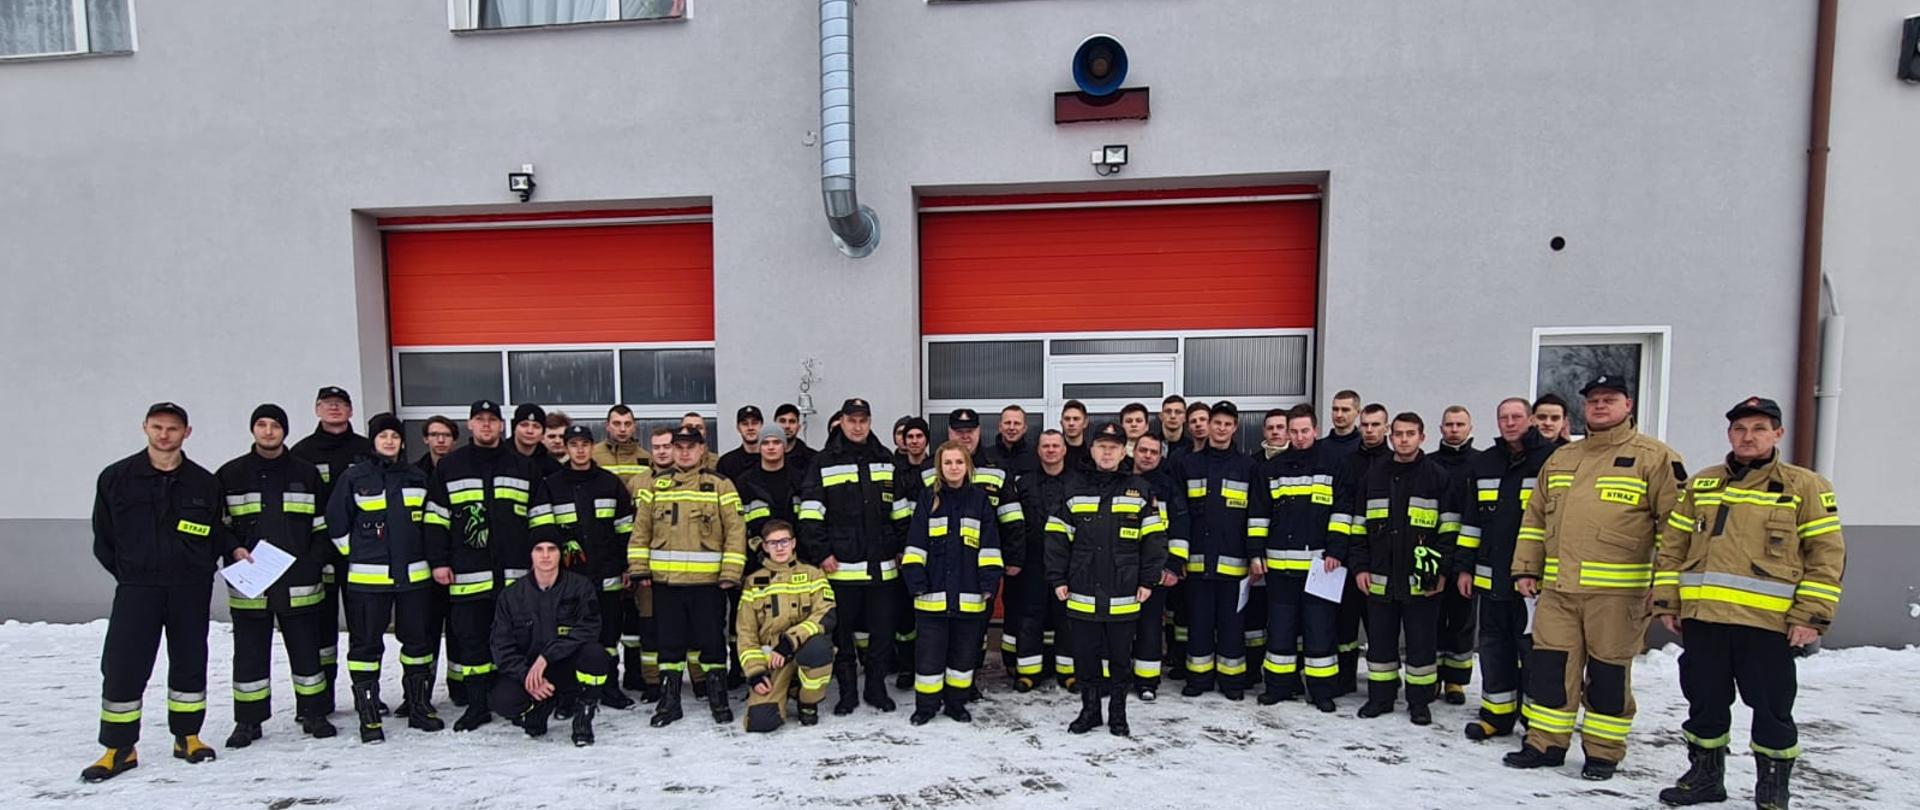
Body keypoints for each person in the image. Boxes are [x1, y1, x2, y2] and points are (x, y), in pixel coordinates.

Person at [1653, 397, 1845, 808]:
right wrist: (1668, 601)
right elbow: (1673, 546)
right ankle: (1705, 778)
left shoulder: (1805, 486)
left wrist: (1811, 616)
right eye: (1740, 429)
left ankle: (1772, 787)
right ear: (1729, 434)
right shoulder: (1703, 484)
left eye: (1759, 428)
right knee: (1704, 702)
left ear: (1778, 433)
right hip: (1704, 620)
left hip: (1767, 624)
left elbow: (1826, 556)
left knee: (1772, 708)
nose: (1748, 437)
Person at [1506, 374, 1686, 781]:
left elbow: (1675, 530)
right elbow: (1535, 520)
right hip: (1558, 591)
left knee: (1607, 675)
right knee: (1551, 670)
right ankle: (1545, 743)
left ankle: (1603, 752)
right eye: (1593, 400)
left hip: (1617, 595)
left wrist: (1666, 586)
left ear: (1628, 405)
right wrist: (1526, 568)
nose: (1600, 406)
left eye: (1609, 399)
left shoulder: (1655, 458)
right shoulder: (1563, 458)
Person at [83, 402, 234, 782]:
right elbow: (104, 537)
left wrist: (209, 562)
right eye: (157, 427)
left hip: (189, 587)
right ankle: (118, 747)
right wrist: (131, 573)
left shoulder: (203, 483)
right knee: (123, 664)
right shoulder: (117, 478)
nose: (164, 435)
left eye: (172, 428)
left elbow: (215, 532)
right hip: (138, 588)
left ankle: (188, 736)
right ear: (145, 428)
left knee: (189, 659)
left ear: (187, 432)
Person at [423, 399, 559, 733]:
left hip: (515, 578)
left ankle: (516, 697)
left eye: (492, 420)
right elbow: (435, 520)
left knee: (518, 641)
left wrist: (543, 563)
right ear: (470, 425)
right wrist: (439, 562)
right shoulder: (451, 466)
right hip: (468, 576)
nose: (486, 425)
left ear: (501, 426)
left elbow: (541, 519)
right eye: (480, 419)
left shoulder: (523, 467)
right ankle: (477, 706)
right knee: (472, 643)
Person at [216, 404, 334, 748]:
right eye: (262, 425)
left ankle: (313, 713)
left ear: (285, 430)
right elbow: (218, 527)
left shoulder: (306, 473)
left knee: (307, 652)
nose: (269, 431)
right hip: (251, 582)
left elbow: (323, 527)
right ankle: (248, 721)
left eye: (275, 426)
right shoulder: (231, 474)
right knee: (249, 654)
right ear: (253, 429)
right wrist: (234, 550)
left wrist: (312, 563)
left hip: (299, 581)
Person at [328, 413, 446, 743]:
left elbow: (430, 523)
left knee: (418, 645)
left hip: (414, 578)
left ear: (402, 441)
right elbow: (336, 522)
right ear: (373, 441)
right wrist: (359, 554)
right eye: (383, 436)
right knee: (366, 647)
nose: (390, 441)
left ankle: (418, 706)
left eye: (394, 436)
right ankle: (368, 714)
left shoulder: (417, 477)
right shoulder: (354, 477)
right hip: (369, 581)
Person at [1048, 422, 1168, 736]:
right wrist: (1057, 578)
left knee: (1119, 659)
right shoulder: (1073, 487)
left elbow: (1154, 540)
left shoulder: (1139, 489)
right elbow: (1056, 537)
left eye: (1113, 447)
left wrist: (1148, 580)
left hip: (1124, 590)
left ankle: (1118, 714)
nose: (1107, 453)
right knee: (1085, 657)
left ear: (1123, 452)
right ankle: (1089, 711)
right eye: (1101, 446)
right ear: (1092, 450)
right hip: (1082, 588)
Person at [1346, 412, 1462, 725]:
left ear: (1422, 437)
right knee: (1380, 644)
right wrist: (1359, 568)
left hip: (1422, 578)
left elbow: (1449, 529)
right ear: (1391, 436)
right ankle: (1380, 698)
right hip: (1380, 577)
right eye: (1398, 434)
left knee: (1421, 645)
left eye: (1410, 434)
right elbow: (1358, 528)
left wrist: (1441, 571)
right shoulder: (1374, 477)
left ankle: (1419, 702)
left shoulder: (1437, 477)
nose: (1404, 439)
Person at [629, 426, 748, 726]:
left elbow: (736, 531)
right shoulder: (655, 486)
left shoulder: (720, 485)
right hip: (666, 583)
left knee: (711, 642)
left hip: (708, 584)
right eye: (678, 447)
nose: (684, 453)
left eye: (690, 447)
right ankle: (669, 702)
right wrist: (639, 569)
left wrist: (731, 572)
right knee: (669, 644)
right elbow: (641, 530)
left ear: (701, 449)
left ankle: (718, 698)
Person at [797, 397, 909, 715]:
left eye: (863, 420)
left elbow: (900, 511)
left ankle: (876, 688)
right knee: (842, 635)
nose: (857, 427)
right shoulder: (823, 462)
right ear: (842, 422)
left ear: (870, 422)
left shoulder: (885, 459)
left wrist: (902, 548)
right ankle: (847, 693)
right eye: (852, 421)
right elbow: (810, 514)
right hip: (841, 569)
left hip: (882, 568)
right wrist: (822, 553)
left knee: (882, 634)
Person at [1459, 398, 1556, 742]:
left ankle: (1534, 723)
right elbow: (1472, 521)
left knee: (1533, 651)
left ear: (1531, 420)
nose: (1510, 423)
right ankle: (1496, 716)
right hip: (1491, 576)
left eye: (1516, 417)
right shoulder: (1485, 462)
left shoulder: (1552, 460)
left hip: (1533, 582)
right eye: (1504, 417)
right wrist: (1465, 568)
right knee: (1494, 648)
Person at [1169, 401, 1269, 700]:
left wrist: (1255, 555)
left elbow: (1256, 514)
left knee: (1232, 626)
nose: (1221, 428)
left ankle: (1231, 682)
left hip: (1235, 565)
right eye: (1217, 423)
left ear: (1235, 427)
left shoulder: (1248, 467)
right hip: (1197, 564)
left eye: (1228, 424)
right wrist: (1178, 556)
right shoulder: (1188, 464)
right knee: (1199, 623)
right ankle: (1198, 679)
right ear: (1209, 425)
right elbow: (1179, 514)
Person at [902, 442, 1006, 724]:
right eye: (948, 462)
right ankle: (925, 707)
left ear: (968, 466)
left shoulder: (979, 500)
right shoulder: (928, 498)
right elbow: (915, 544)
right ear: (940, 467)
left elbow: (989, 545)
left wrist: (989, 584)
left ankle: (956, 704)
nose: (954, 467)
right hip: (931, 595)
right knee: (929, 658)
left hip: (969, 594)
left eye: (959, 462)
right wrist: (916, 582)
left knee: (963, 656)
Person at [291, 385, 374, 713]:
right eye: (328, 404)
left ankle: (366, 695)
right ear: (317, 409)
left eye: (341, 404)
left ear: (351, 411)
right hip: (318, 554)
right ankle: (320, 698)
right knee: (320, 629)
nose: (334, 409)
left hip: (362, 555)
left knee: (363, 628)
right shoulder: (302, 453)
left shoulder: (366, 450)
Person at [1256, 405, 1344, 712]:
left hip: (1321, 567)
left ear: (1315, 430)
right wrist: (1256, 553)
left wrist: (1336, 550)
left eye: (1305, 430)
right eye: (1293, 431)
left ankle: (1321, 691)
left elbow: (1342, 512)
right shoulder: (1272, 469)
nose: (1299, 436)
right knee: (1280, 630)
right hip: (1280, 568)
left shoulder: (1333, 465)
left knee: (1319, 631)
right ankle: (1278, 686)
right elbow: (1259, 515)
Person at [545, 424, 638, 710]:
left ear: (591, 447)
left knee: (608, 636)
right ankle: (569, 693)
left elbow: (625, 529)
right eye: (574, 444)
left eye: (585, 444)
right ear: (566, 448)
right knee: (568, 637)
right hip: (569, 578)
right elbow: (543, 530)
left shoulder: (610, 483)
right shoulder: (552, 485)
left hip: (607, 575)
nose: (580, 450)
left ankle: (609, 688)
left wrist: (627, 566)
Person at [489, 538, 608, 746]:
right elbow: (501, 646)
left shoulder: (580, 587)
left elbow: (589, 629)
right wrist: (526, 675)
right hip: (532, 671)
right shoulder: (511, 595)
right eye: (539, 549)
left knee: (596, 656)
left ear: (560, 554)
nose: (545, 555)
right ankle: (538, 709)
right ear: (531, 554)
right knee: (503, 699)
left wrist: (547, 656)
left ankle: (583, 715)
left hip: (568, 667)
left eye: (552, 549)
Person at [737, 520, 838, 732]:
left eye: (784, 541)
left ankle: (807, 702)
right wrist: (755, 673)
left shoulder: (813, 574)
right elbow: (746, 633)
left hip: (802, 648)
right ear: (764, 547)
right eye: (773, 543)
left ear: (793, 543)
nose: (780, 548)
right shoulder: (753, 582)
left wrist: (790, 641)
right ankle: (790, 687)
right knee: (761, 722)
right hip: (773, 658)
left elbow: (826, 614)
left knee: (819, 649)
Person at [1333, 403, 1392, 695]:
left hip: (1384, 559)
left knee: (1380, 627)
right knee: (1345, 625)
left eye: (1375, 425)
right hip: (1347, 557)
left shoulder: (1394, 463)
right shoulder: (1346, 462)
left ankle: (1383, 685)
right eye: (1366, 425)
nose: (1369, 430)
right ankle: (1345, 678)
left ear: (1386, 428)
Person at [1128, 433, 1182, 699]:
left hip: (1154, 570)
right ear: (1133, 451)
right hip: (1121, 568)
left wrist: (1172, 565)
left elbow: (1180, 527)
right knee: (1117, 627)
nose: (1148, 456)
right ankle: (1115, 677)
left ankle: (1147, 682)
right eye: (1143, 450)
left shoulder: (1168, 487)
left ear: (1161, 456)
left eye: (1153, 452)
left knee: (1149, 627)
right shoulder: (1119, 480)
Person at [415, 415, 462, 706]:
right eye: (434, 435)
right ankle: (420, 692)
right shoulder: (413, 474)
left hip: (457, 565)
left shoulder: (461, 471)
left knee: (458, 631)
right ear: (425, 439)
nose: (440, 440)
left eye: (446, 435)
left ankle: (459, 689)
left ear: (454, 439)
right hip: (422, 566)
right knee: (425, 633)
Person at [1432, 405, 1478, 705]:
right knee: (1432, 619)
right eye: (1449, 424)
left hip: (1466, 552)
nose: (1454, 429)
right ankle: (1433, 675)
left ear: (1470, 428)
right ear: (1440, 429)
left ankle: (1456, 681)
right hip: (1432, 552)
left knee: (1462, 619)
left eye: (1460, 424)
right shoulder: (1429, 463)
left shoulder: (1480, 463)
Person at [592, 404, 652, 485]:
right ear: (607, 426)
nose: (622, 429)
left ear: (634, 426)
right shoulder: (593, 456)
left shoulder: (646, 458)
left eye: (627, 424)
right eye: (617, 424)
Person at [512, 404, 563, 479]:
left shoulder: (553, 468)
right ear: (514, 429)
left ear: (543, 433)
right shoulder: (499, 459)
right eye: (524, 425)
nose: (530, 431)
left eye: (536, 426)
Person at [718, 405, 766, 483]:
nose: (750, 428)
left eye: (754, 423)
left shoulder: (772, 459)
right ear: (738, 428)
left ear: (762, 426)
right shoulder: (727, 462)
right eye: (745, 424)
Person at [1320, 389, 1363, 466]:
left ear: (1358, 412)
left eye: (1345, 410)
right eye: (1335, 409)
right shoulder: (1318, 448)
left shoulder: (1364, 447)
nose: (1339, 415)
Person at [775, 403, 816, 473]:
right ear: (774, 425)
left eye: (792, 421)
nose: (787, 426)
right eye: (782, 421)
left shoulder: (812, 458)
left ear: (798, 427)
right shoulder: (762, 456)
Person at [1059, 400, 1092, 471]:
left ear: (1085, 423)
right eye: (1067, 419)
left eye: (1076, 419)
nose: (1071, 423)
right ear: (1061, 423)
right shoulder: (1054, 455)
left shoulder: (1092, 456)